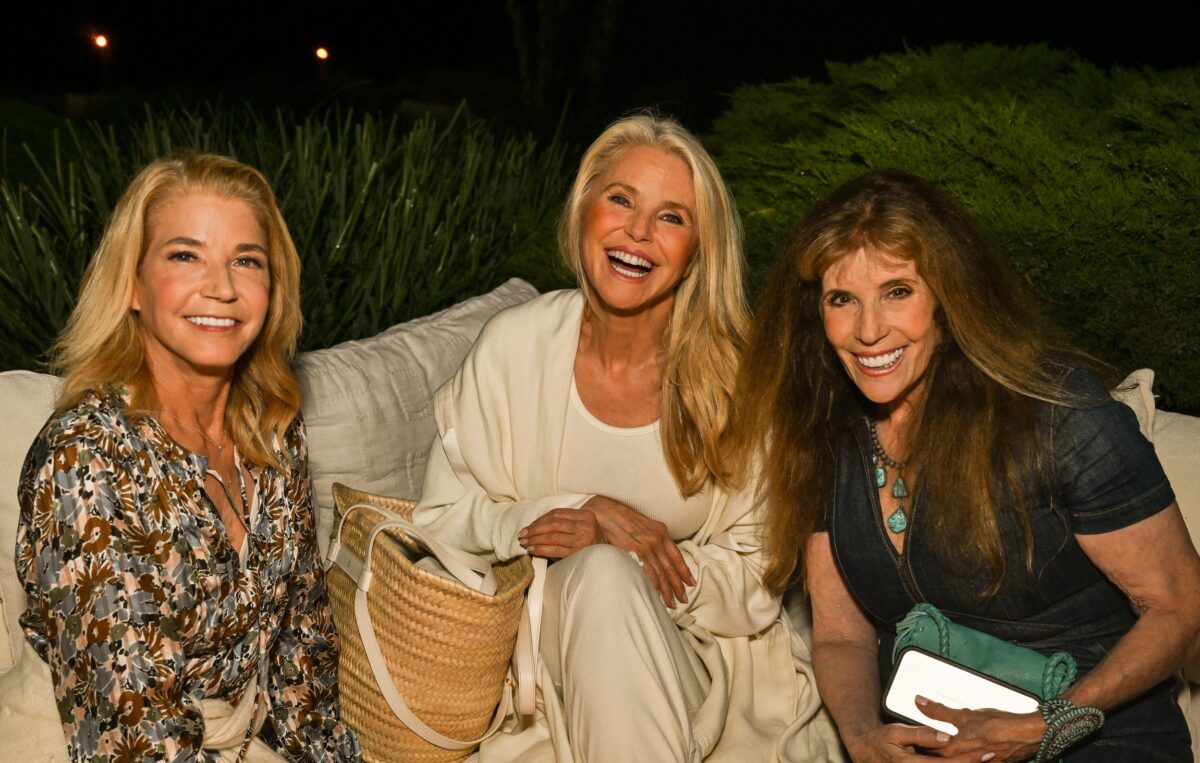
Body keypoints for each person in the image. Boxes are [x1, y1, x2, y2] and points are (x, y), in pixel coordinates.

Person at [413, 114, 842, 761]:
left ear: (700, 247)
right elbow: (438, 522)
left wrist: (644, 557)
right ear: (584, 207)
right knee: (599, 566)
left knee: (609, 574)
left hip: (692, 669)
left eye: (671, 217)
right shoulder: (512, 345)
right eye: (621, 199)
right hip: (524, 671)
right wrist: (564, 516)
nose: (638, 232)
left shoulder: (737, 377)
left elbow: (761, 571)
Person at [735, 168, 1200, 761]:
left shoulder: (1056, 414)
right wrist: (861, 738)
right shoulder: (827, 435)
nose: (869, 330)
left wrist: (1045, 726)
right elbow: (842, 634)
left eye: (898, 291)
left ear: (948, 297)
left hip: (1094, 732)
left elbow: (1180, 605)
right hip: (929, 746)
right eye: (842, 299)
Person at [16, 152, 361, 762]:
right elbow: (132, 735)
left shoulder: (273, 430)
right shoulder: (85, 459)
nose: (222, 287)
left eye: (246, 261)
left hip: (235, 736)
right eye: (185, 255)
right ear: (132, 283)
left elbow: (300, 653)